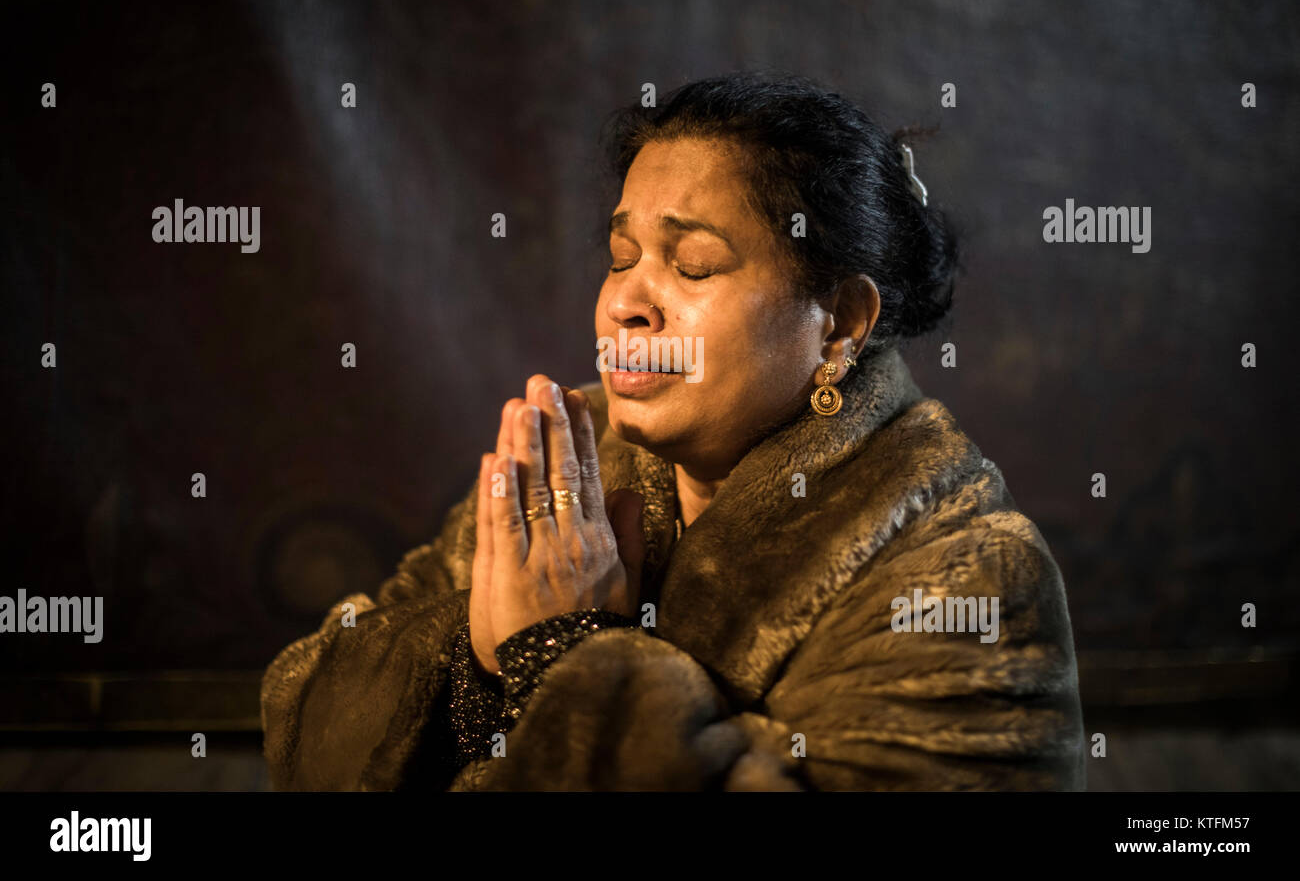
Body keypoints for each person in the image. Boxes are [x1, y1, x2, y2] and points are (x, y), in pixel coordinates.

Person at [261, 70, 1086, 791]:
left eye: (691, 265)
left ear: (837, 325)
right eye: (622, 259)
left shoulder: (967, 574)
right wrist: (479, 657)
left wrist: (566, 656)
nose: (626, 302)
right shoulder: (569, 459)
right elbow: (307, 725)